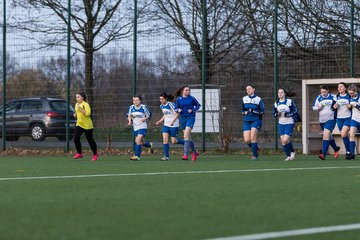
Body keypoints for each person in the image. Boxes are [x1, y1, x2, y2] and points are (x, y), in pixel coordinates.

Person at [312, 85, 340, 160]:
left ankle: (323, 154)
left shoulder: (333, 96)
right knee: (329, 136)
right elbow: (313, 107)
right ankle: (336, 149)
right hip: (322, 120)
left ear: (328, 90)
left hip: (331, 119)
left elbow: (337, 104)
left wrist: (335, 106)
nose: (323, 93)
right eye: (322, 92)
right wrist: (318, 108)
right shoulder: (319, 98)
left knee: (326, 135)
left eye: (324, 92)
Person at [173, 86, 200, 161]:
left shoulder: (192, 98)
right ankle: (195, 152)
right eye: (186, 90)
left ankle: (185, 155)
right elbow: (175, 108)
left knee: (185, 136)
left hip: (190, 118)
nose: (188, 91)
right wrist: (178, 109)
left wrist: (192, 109)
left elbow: (198, 106)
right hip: (183, 119)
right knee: (188, 137)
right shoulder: (179, 99)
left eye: (188, 90)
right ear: (182, 91)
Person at [155, 92, 184, 161]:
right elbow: (165, 115)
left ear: (166, 99)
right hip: (166, 125)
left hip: (174, 125)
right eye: (160, 99)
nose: (161, 101)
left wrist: (172, 122)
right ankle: (166, 156)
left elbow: (177, 114)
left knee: (174, 141)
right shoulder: (161, 106)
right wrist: (160, 121)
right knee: (165, 139)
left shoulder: (171, 104)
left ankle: (185, 142)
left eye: (162, 99)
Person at [272, 88, 297, 161]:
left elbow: (295, 111)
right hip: (281, 123)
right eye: (279, 92)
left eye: (281, 92)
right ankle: (288, 156)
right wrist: (277, 114)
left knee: (285, 139)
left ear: (285, 94)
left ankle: (292, 151)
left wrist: (287, 114)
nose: (280, 94)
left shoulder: (289, 101)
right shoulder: (276, 103)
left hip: (289, 122)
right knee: (283, 141)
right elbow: (274, 113)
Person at [73, 91, 98, 161]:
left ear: (82, 98)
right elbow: (77, 112)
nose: (77, 98)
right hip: (79, 124)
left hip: (87, 126)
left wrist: (80, 109)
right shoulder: (76, 104)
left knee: (90, 140)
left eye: (78, 97)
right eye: (76, 97)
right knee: (76, 138)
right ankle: (79, 153)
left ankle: (95, 154)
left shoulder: (86, 105)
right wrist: (75, 114)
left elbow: (87, 114)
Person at [241, 84, 265, 160]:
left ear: (253, 89)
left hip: (256, 120)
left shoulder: (258, 99)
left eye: (249, 89)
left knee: (253, 137)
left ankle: (255, 156)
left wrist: (254, 111)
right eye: (247, 89)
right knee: (247, 140)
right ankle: (256, 148)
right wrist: (244, 112)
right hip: (247, 121)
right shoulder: (244, 99)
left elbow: (262, 111)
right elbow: (242, 110)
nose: (248, 90)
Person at [128, 95, 153, 161]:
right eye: (134, 100)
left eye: (137, 100)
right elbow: (129, 115)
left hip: (142, 126)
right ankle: (149, 145)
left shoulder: (143, 107)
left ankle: (137, 156)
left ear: (140, 101)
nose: (135, 102)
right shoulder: (131, 107)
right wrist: (129, 121)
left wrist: (144, 119)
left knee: (138, 141)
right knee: (142, 143)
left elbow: (148, 115)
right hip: (135, 127)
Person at [333, 82, 351, 159]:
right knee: (344, 136)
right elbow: (332, 107)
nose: (339, 88)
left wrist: (350, 106)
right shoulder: (336, 97)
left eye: (341, 87)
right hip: (339, 119)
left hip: (348, 117)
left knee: (343, 134)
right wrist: (334, 107)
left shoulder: (349, 96)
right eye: (338, 87)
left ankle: (348, 151)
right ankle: (348, 151)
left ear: (345, 88)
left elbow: (353, 105)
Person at [347, 84, 360, 160]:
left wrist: (357, 106)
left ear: (356, 91)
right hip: (354, 119)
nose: (350, 95)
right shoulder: (350, 98)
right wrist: (349, 107)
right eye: (349, 93)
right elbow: (351, 108)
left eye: (352, 93)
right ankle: (352, 154)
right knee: (351, 135)